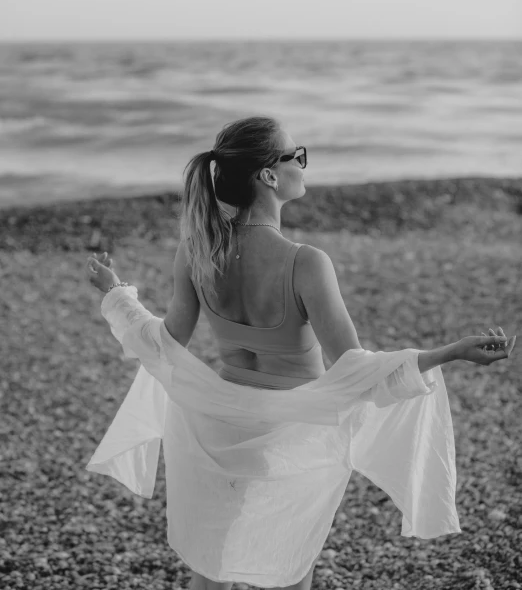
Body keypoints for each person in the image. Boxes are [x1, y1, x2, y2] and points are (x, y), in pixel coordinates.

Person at [86, 115, 516, 590]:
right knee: (289, 558)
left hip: (220, 419)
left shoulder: (197, 250)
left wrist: (117, 295)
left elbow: (165, 344)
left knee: (212, 553)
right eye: (298, 156)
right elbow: (354, 369)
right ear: (269, 175)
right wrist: (449, 352)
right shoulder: (305, 262)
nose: (304, 165)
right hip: (290, 429)